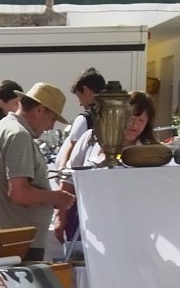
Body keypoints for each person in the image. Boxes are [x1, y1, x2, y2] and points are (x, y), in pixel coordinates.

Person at [0, 82, 75, 262]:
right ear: (39, 110)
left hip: (9, 239)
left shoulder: (2, 128)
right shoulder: (19, 135)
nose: (50, 127)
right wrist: (56, 197)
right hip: (20, 243)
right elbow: (18, 193)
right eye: (52, 119)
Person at [58, 91, 157, 246]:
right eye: (131, 118)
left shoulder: (150, 152)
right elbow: (70, 178)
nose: (135, 125)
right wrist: (61, 215)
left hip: (128, 227)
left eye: (141, 120)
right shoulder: (91, 139)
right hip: (84, 222)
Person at [55, 67, 106, 170]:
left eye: (79, 96)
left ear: (86, 91)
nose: (79, 103)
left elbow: (72, 146)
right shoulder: (114, 116)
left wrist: (62, 169)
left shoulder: (85, 118)